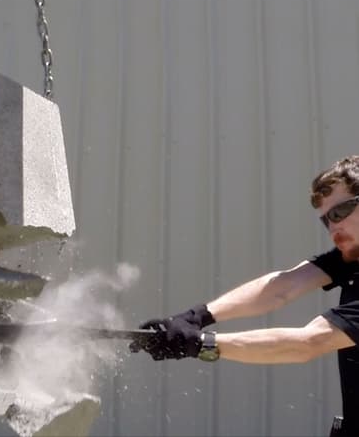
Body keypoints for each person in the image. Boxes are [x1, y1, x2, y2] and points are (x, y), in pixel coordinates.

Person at [130, 155, 359, 437]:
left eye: (338, 214)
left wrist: (201, 344)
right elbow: (282, 287)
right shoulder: (351, 256)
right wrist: (195, 317)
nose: (333, 228)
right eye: (326, 220)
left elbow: (309, 343)